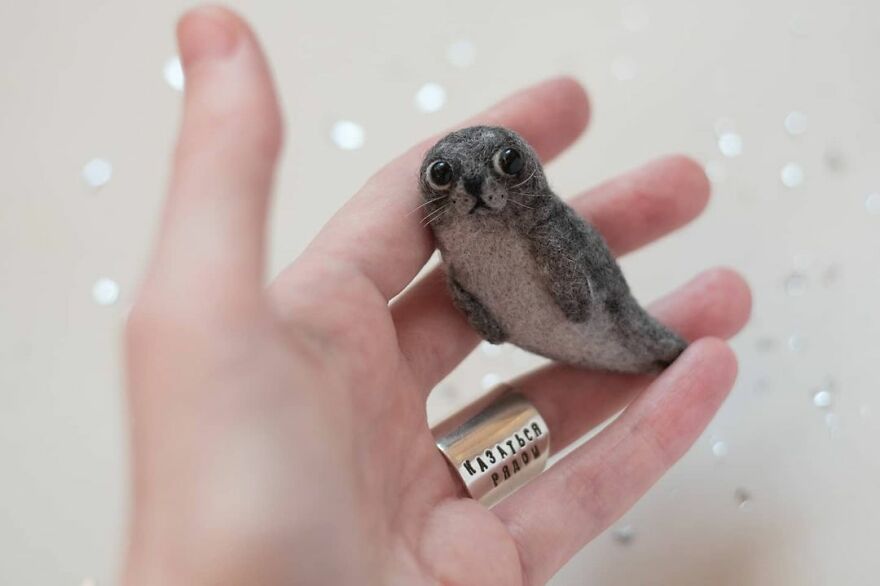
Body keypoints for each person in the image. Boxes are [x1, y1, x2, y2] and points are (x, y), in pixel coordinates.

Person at [122, 6, 751, 585]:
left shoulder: (550, 228)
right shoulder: (456, 249)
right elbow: (473, 298)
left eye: (506, 166)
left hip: (599, 324)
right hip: (546, 342)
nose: (476, 188)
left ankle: (660, 354)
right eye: (446, 178)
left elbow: (578, 285)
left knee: (654, 347)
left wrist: (567, 298)